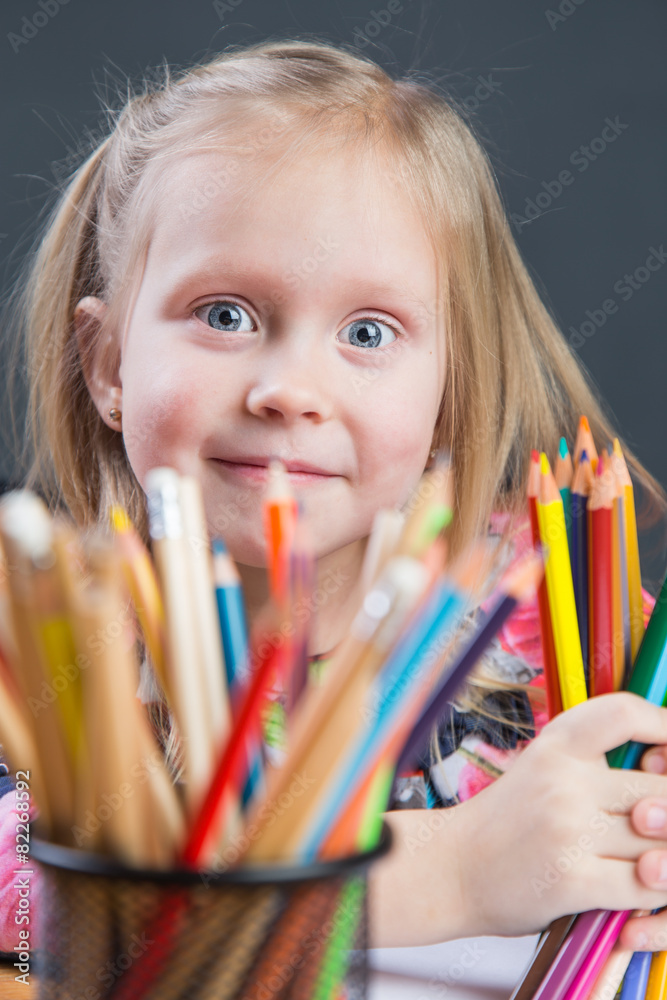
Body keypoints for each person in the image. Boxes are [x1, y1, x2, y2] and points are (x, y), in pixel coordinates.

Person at [3, 37, 667, 956]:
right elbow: (33, 894)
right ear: (106, 364)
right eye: (225, 314)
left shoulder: (550, 618)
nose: (290, 390)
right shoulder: (46, 642)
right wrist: (455, 872)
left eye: (367, 331)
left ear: (447, 392)